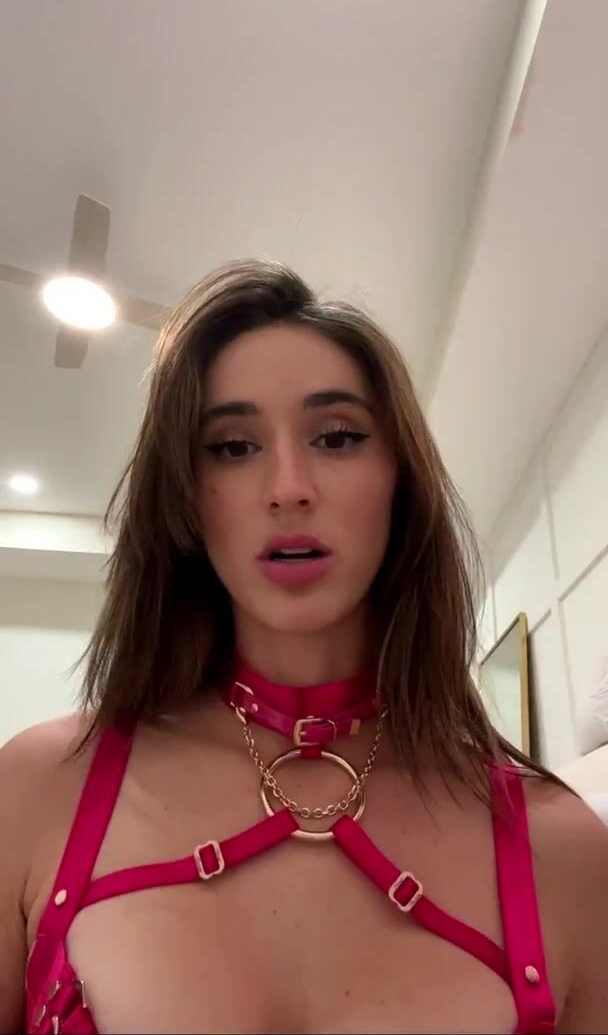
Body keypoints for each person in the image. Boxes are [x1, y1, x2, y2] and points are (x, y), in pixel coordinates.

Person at [1, 259, 607, 1035]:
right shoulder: (40, 788)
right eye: (232, 446)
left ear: (398, 480)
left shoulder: (564, 849)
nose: (288, 487)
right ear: (185, 498)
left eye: (337, 437)